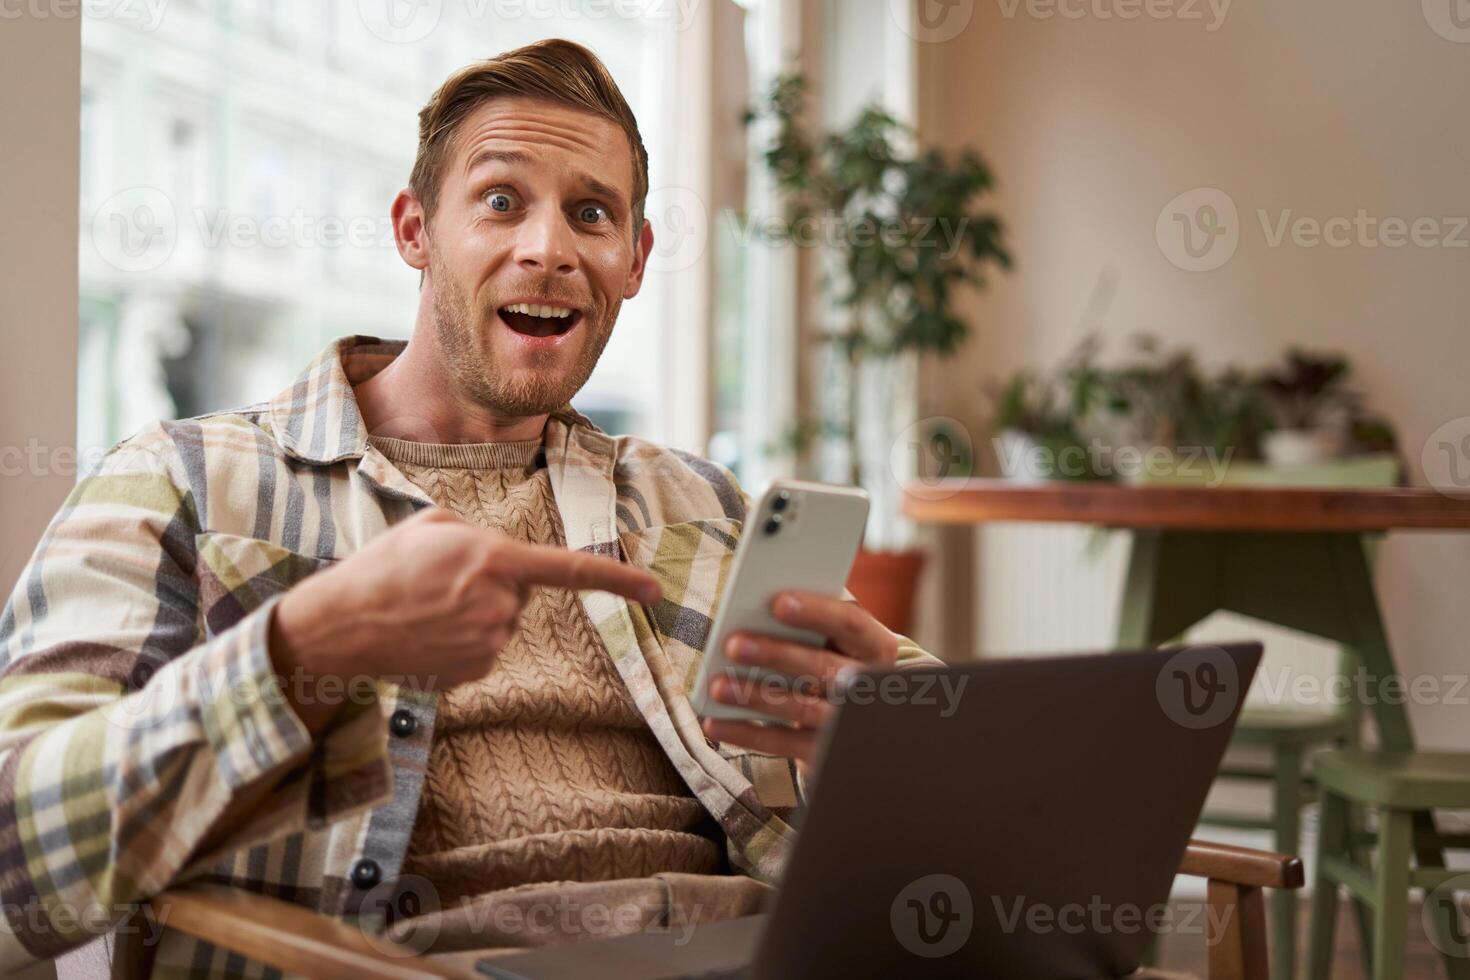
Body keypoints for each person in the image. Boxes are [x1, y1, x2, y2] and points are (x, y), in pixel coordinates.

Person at [0, 39, 937, 976]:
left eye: (592, 214)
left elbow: (984, 774)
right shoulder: (185, 480)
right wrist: (300, 650)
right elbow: (14, 873)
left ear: (636, 258)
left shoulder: (696, 500)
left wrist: (887, 741)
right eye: (500, 201)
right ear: (414, 230)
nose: (550, 249)